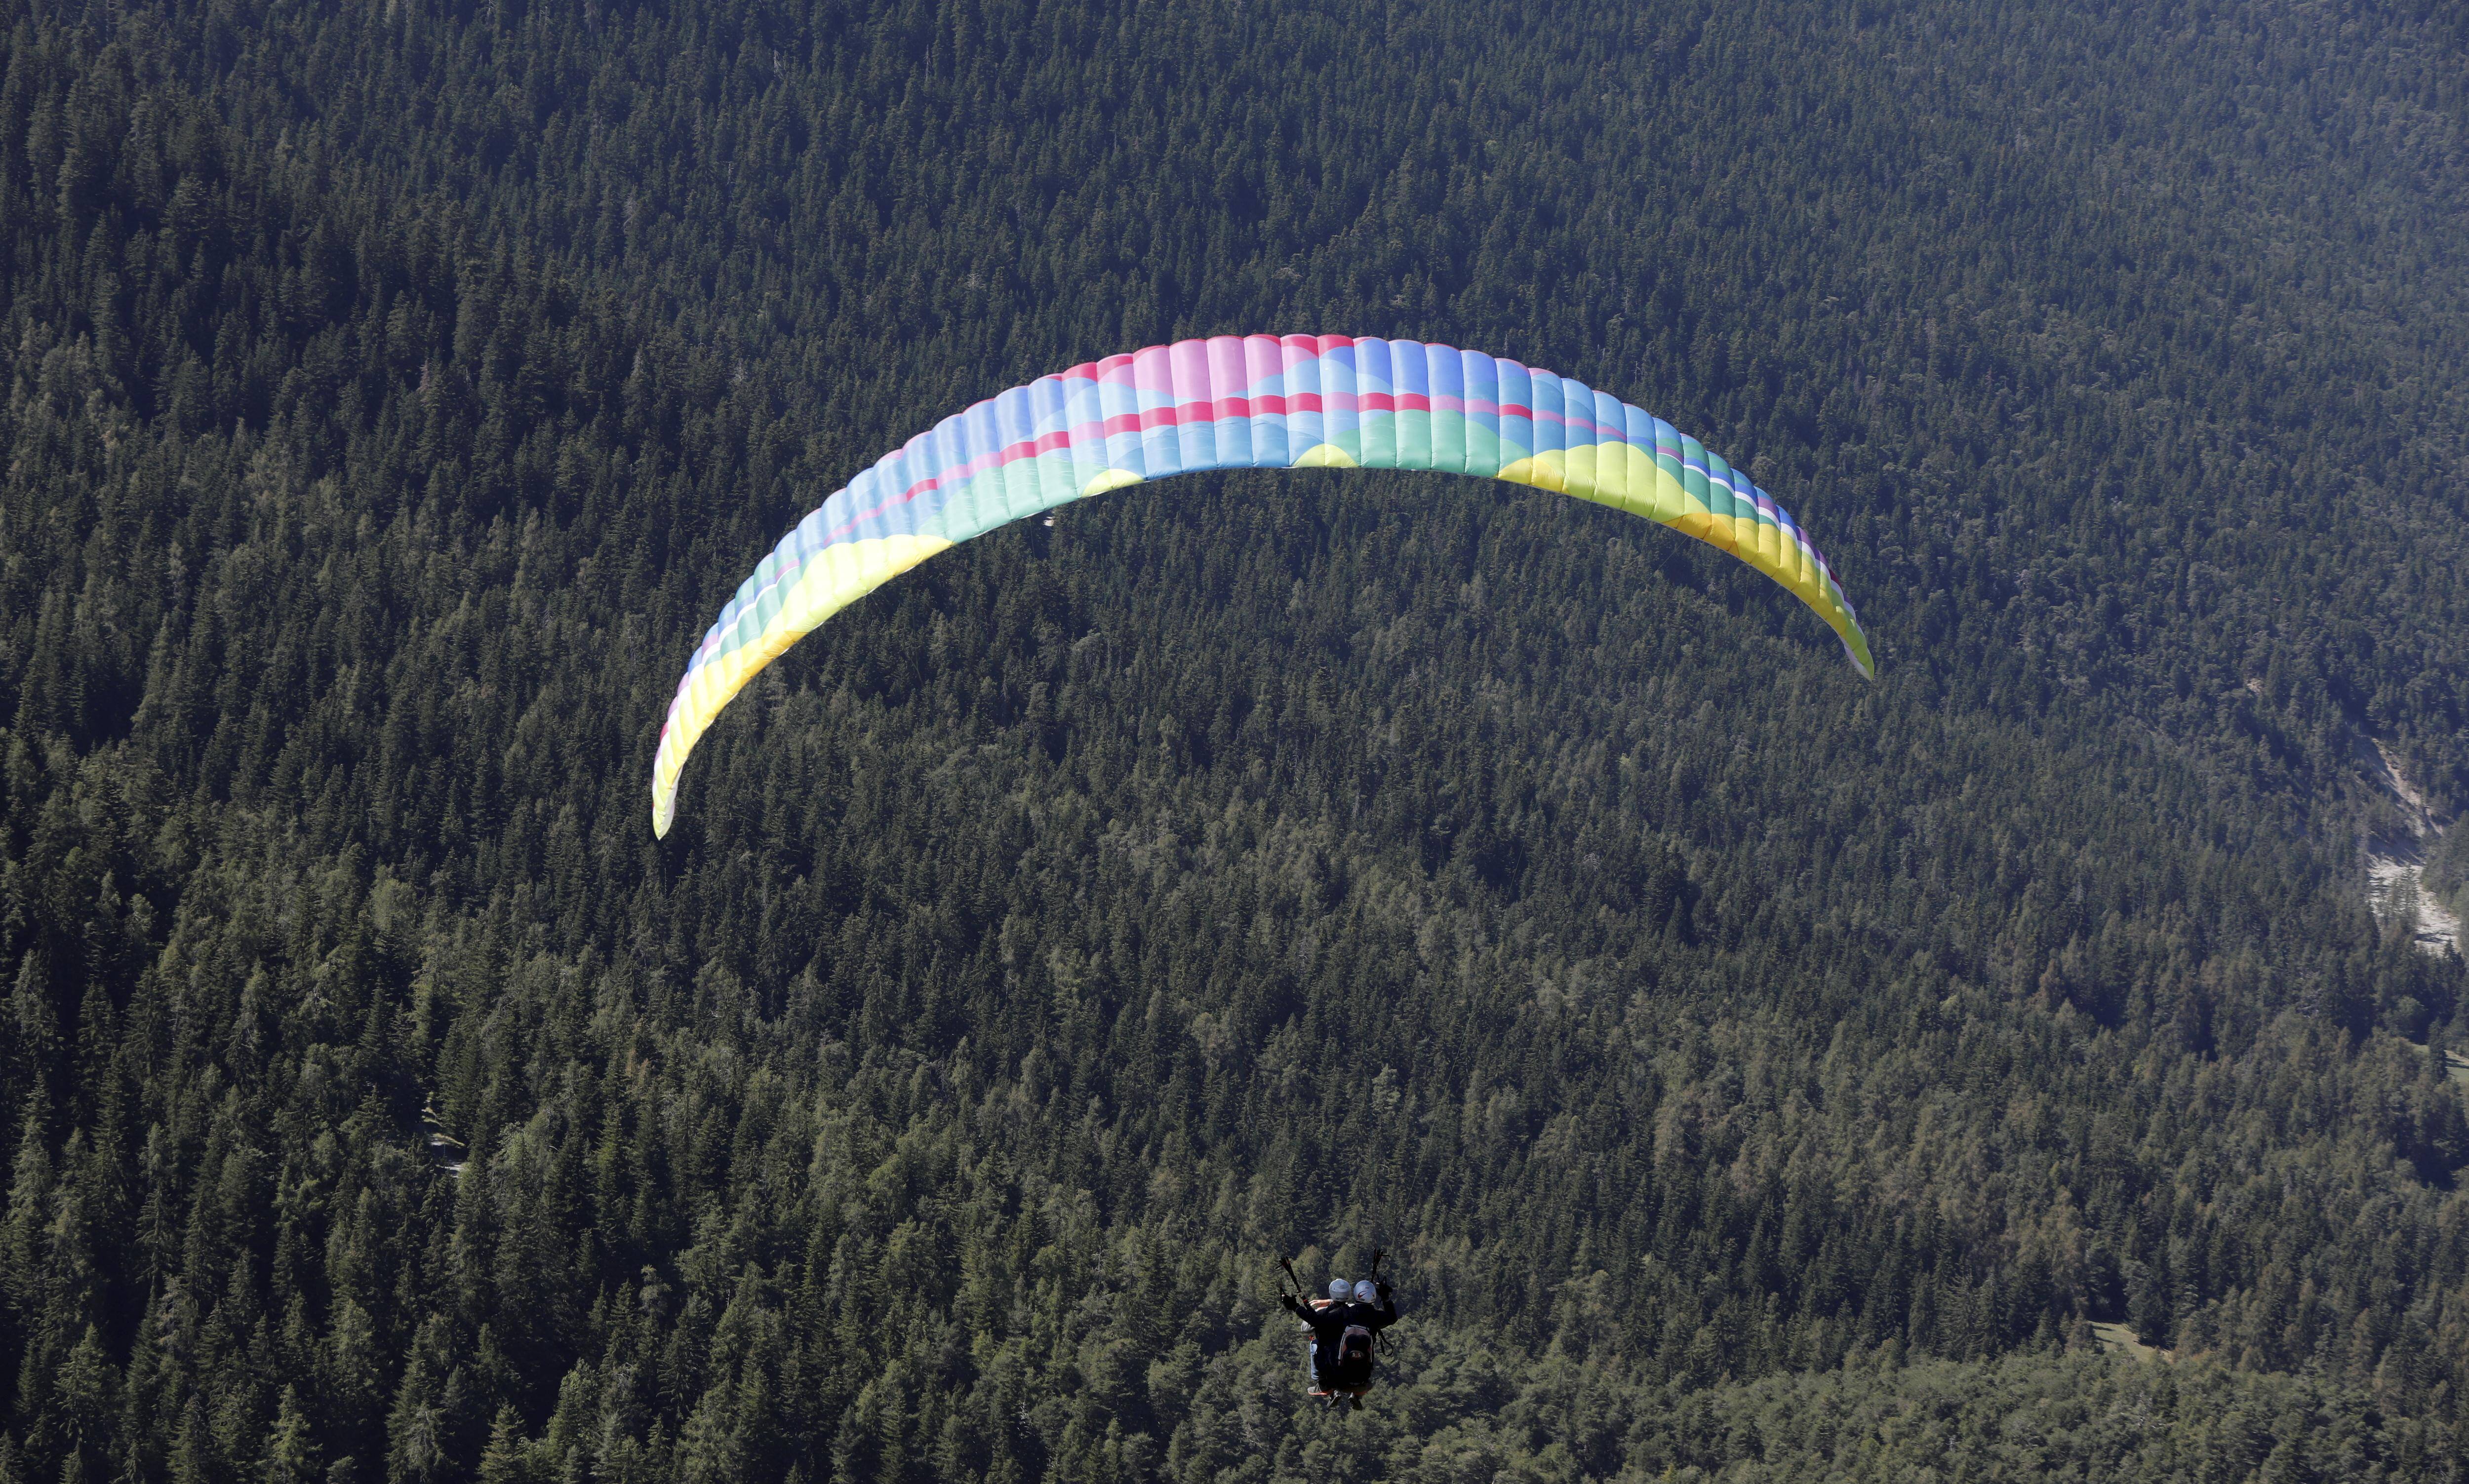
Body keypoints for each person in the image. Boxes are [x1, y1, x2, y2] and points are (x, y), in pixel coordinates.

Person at [1281, 1272, 1398, 1409]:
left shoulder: (1344, 1313)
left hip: (1338, 1374)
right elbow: (1392, 1318)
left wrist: (1296, 1307)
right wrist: (1386, 1299)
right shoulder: (1375, 1317)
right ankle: (1356, 1393)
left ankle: (1324, 1385)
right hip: (1363, 1374)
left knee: (1318, 1343)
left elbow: (1316, 1321)